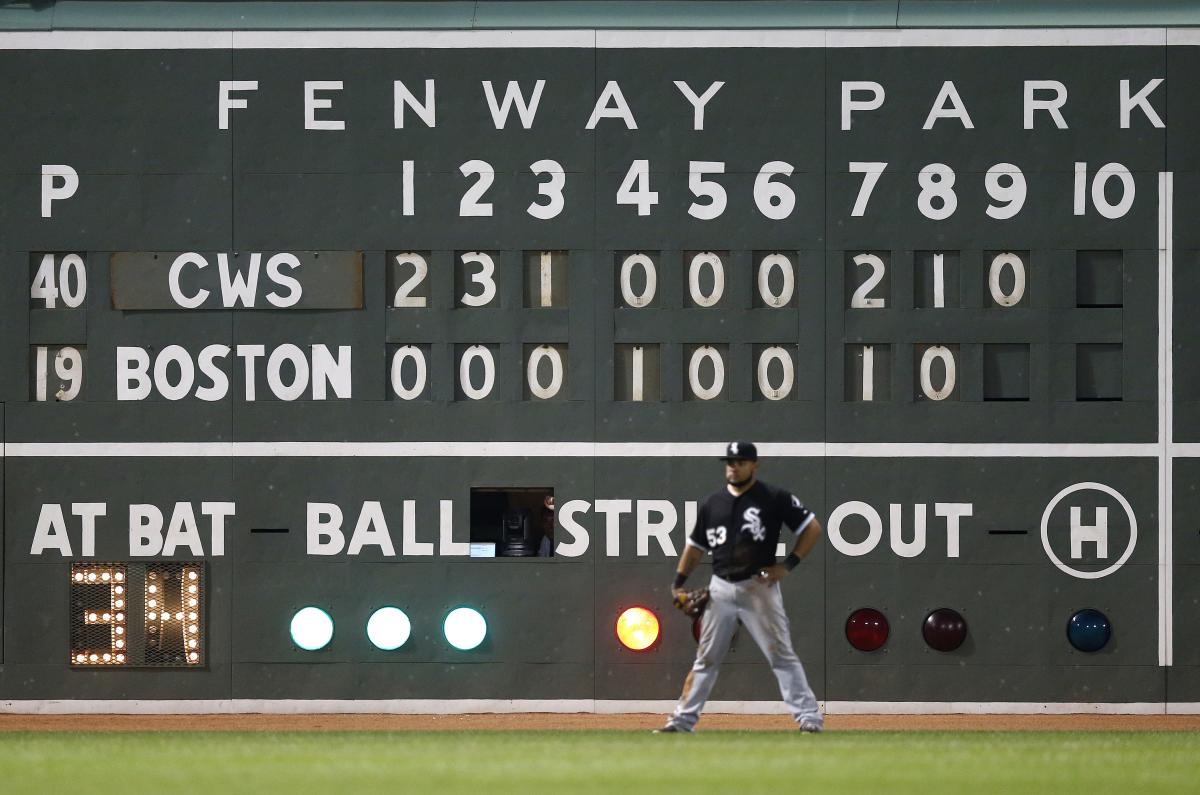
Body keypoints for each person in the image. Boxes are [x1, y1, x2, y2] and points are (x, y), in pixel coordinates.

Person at [655, 441, 825, 734]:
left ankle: (809, 718)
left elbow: (812, 527)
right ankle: (681, 722)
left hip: (758, 588)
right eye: (729, 462)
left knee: (781, 655)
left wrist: (787, 565)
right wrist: (678, 583)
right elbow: (695, 548)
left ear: (754, 466)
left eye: (739, 462)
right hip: (720, 588)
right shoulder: (713, 503)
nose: (733, 467)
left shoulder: (773, 497)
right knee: (706, 659)